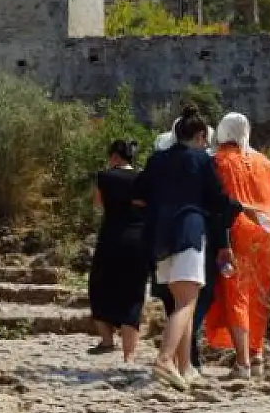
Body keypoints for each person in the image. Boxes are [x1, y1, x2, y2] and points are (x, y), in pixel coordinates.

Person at [133, 106, 250, 388]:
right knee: (187, 302)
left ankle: (185, 368)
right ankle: (165, 360)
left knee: (179, 300)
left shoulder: (156, 160)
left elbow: (138, 195)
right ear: (200, 135)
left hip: (160, 238)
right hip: (188, 232)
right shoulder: (200, 161)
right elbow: (218, 202)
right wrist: (244, 208)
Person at [201, 113, 270, 380]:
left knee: (237, 293)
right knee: (260, 294)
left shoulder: (218, 161)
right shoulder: (264, 161)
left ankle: (243, 362)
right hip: (269, 229)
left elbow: (215, 202)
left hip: (237, 229)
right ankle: (258, 354)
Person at [87, 139, 149, 361]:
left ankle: (106, 340)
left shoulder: (105, 177)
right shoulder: (143, 178)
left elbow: (97, 203)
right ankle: (129, 355)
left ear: (114, 156)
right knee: (133, 294)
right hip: (138, 239)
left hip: (111, 238)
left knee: (99, 286)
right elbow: (148, 204)